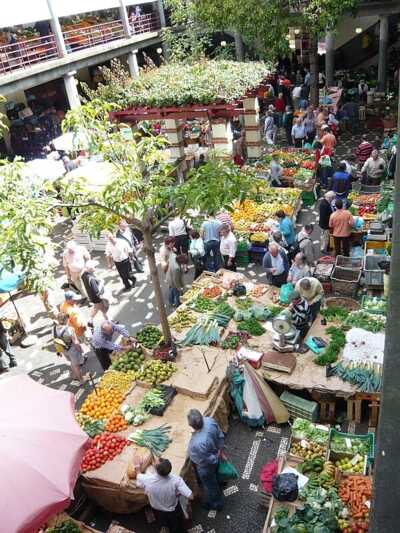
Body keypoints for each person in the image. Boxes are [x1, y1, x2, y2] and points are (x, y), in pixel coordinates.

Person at [135, 458, 193, 533]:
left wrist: (137, 466)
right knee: (177, 525)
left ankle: (165, 527)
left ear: (156, 469)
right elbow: (191, 496)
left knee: (164, 521)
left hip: (158, 509)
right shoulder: (176, 480)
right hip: (173, 510)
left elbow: (138, 475)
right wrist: (178, 492)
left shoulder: (148, 479)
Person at [187, 409, 225, 511]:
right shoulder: (210, 421)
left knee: (210, 485)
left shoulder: (197, 443)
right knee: (216, 471)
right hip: (215, 454)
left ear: (192, 426)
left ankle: (217, 503)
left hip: (206, 466)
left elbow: (208, 459)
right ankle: (221, 482)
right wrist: (220, 452)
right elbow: (220, 436)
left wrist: (215, 458)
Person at [54, 312, 86, 384]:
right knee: (76, 365)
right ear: (65, 320)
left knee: (72, 362)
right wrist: (80, 349)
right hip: (72, 350)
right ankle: (81, 380)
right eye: (68, 319)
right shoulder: (70, 329)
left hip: (63, 349)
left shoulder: (54, 329)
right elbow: (75, 342)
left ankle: (75, 375)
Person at [81, 260, 109, 327]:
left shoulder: (83, 274)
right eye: (94, 267)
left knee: (96, 308)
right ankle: (109, 322)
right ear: (90, 268)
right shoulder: (91, 279)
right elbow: (97, 291)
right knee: (104, 310)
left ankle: (90, 321)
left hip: (91, 296)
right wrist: (101, 283)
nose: (95, 268)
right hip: (97, 298)